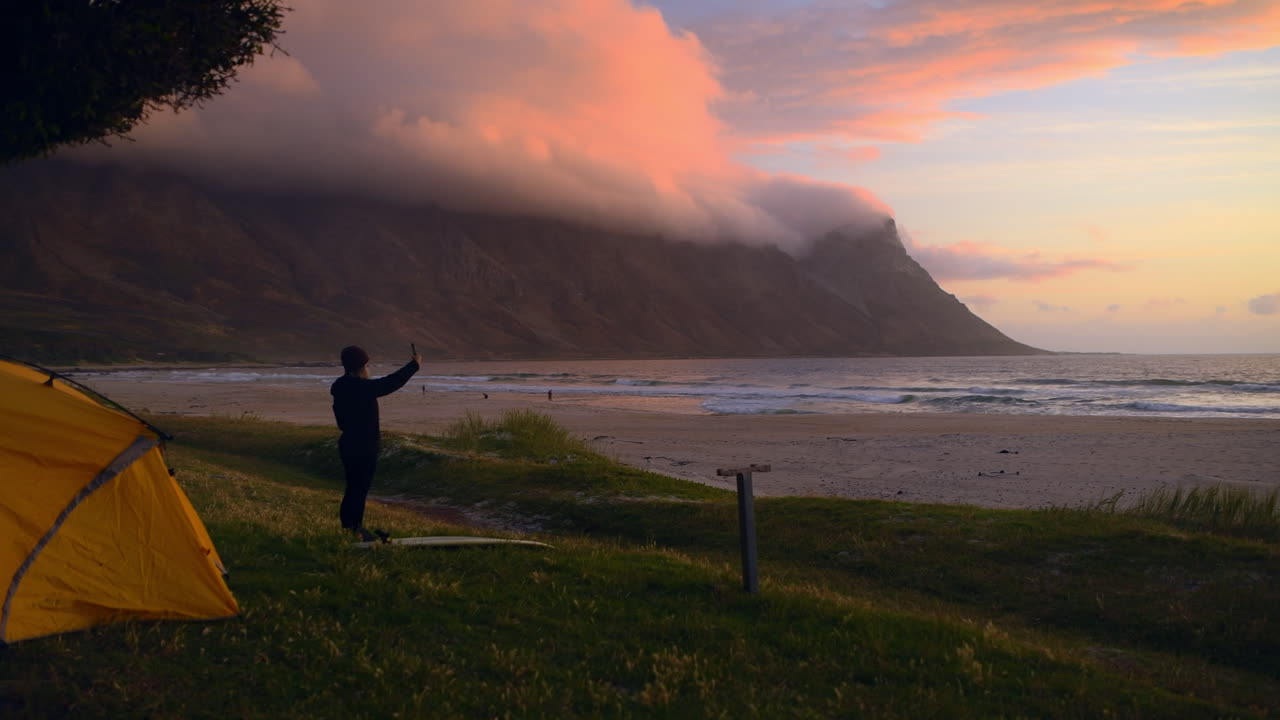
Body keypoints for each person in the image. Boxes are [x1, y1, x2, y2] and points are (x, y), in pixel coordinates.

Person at [330, 345, 421, 541]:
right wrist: (414, 365)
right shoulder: (361, 388)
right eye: (366, 363)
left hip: (348, 443)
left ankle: (350, 527)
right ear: (362, 365)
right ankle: (355, 528)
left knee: (353, 487)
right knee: (359, 488)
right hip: (363, 446)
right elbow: (390, 383)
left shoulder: (342, 386)